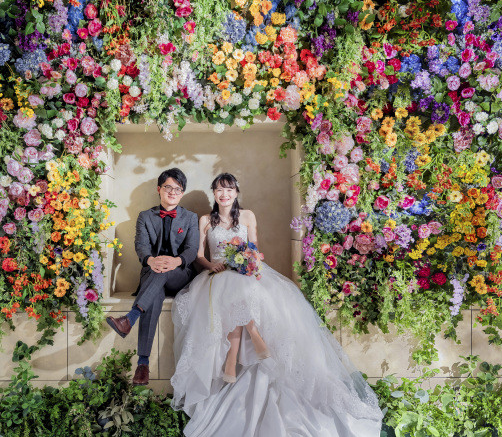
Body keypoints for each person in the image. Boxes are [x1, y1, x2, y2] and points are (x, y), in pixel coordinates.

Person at [170, 173, 382, 437]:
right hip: (216, 274)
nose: (224, 194)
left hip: (243, 270)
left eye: (229, 189)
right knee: (233, 288)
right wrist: (211, 264)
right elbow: (200, 255)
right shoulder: (205, 220)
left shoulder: (247, 216)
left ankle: (233, 357)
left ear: (236, 192)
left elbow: (254, 248)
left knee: (245, 287)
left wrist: (248, 261)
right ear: (213, 193)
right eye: (219, 190)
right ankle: (254, 337)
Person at [106, 168, 200, 386]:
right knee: (155, 294)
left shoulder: (190, 218)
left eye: (178, 189)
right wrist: (151, 260)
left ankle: (129, 319)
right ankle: (143, 365)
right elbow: (141, 247)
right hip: (153, 274)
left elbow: (192, 249)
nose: (172, 192)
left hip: (180, 275)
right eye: (168, 187)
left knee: (165, 267)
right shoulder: (145, 217)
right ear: (159, 189)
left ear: (182, 193)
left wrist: (174, 261)